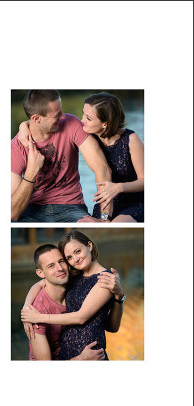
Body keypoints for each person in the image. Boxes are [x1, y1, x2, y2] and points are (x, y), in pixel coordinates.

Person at [18, 92, 144, 223]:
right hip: (105, 202)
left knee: (116, 224)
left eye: (88, 118)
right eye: (83, 114)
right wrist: (23, 125)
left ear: (105, 124)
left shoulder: (131, 140)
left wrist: (118, 188)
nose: (82, 120)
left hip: (134, 202)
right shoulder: (87, 134)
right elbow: (42, 120)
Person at [10, 90, 113, 222]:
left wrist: (105, 217)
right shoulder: (16, 147)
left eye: (62, 111)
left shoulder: (71, 124)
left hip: (71, 208)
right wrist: (31, 172)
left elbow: (102, 168)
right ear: (36, 119)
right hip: (31, 210)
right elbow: (12, 213)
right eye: (56, 115)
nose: (63, 117)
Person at [21, 231, 125, 360]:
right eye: (69, 257)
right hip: (67, 355)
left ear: (90, 246)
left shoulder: (105, 279)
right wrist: (26, 306)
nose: (75, 259)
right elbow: (41, 283)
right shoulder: (74, 274)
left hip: (91, 356)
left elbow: (82, 317)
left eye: (77, 251)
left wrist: (39, 317)